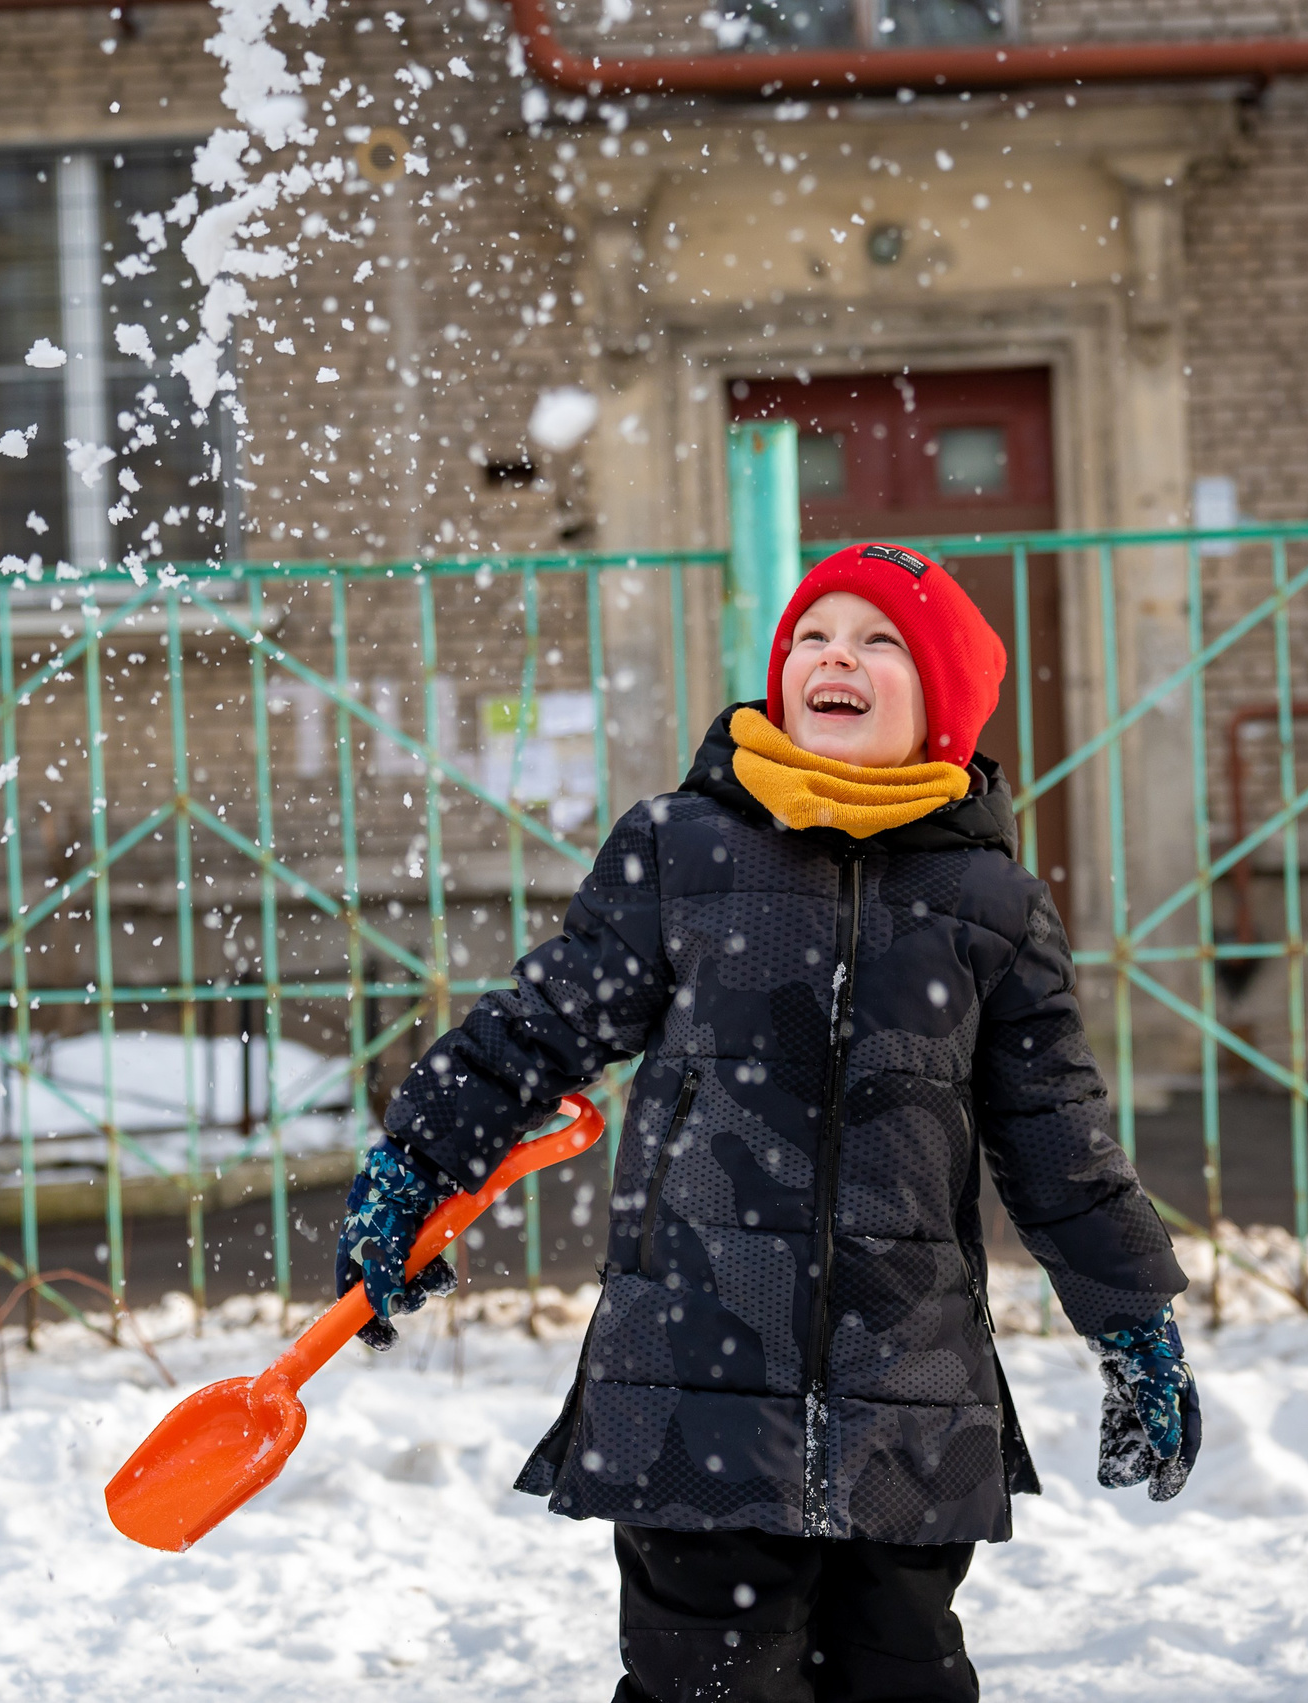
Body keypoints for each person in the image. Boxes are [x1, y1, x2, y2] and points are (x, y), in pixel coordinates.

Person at [335, 541, 1198, 1702]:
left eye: (879, 639)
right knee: (708, 1685)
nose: (834, 654)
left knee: (905, 1680)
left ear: (940, 699)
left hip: (908, 1393)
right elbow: (541, 1023)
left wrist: (1132, 1316)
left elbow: (1057, 1134)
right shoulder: (684, 848)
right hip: (691, 1373)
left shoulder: (991, 903)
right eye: (812, 636)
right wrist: (416, 1161)